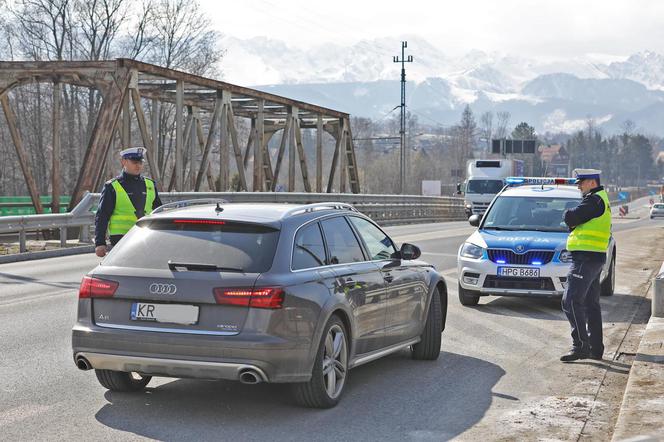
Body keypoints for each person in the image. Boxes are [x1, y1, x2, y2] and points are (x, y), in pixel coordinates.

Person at [560, 169, 611, 362]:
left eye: (580, 182)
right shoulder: (601, 199)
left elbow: (571, 218)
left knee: (570, 301)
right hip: (594, 258)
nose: (579, 186)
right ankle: (595, 349)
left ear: (591, 182)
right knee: (590, 304)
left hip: (585, 259)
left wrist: (567, 214)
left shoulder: (593, 200)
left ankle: (580, 346)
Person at [94, 147, 162, 257]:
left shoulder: (150, 184)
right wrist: (100, 243)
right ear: (124, 162)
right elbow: (102, 215)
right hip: (121, 237)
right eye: (134, 162)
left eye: (140, 162)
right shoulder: (112, 186)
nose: (138, 165)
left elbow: (159, 212)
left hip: (146, 236)